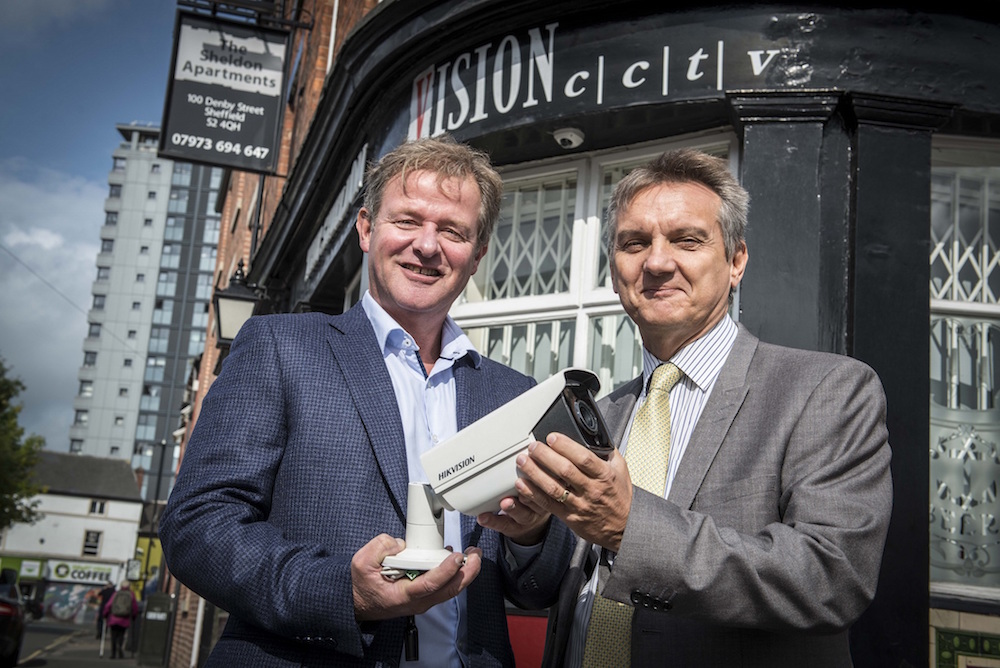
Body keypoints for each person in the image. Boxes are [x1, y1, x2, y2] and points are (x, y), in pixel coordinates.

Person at [160, 135, 574, 667]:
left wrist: (532, 532)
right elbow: (197, 523)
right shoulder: (280, 348)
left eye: (452, 231)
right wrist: (343, 593)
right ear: (365, 228)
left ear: (477, 256)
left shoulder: (513, 396)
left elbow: (537, 587)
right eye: (407, 221)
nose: (427, 246)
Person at [492, 148, 893, 667]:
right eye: (634, 243)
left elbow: (830, 580)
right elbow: (543, 592)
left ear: (735, 261)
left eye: (687, 240)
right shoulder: (603, 413)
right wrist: (528, 534)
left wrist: (628, 527)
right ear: (615, 272)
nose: (657, 262)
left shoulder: (828, 391)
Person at [102, 581, 137, 659]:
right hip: (124, 619)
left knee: (113, 636)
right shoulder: (131, 594)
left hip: (114, 618)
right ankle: (119, 646)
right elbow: (134, 607)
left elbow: (108, 605)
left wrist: (105, 614)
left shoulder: (116, 594)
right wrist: (134, 616)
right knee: (121, 635)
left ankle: (113, 653)